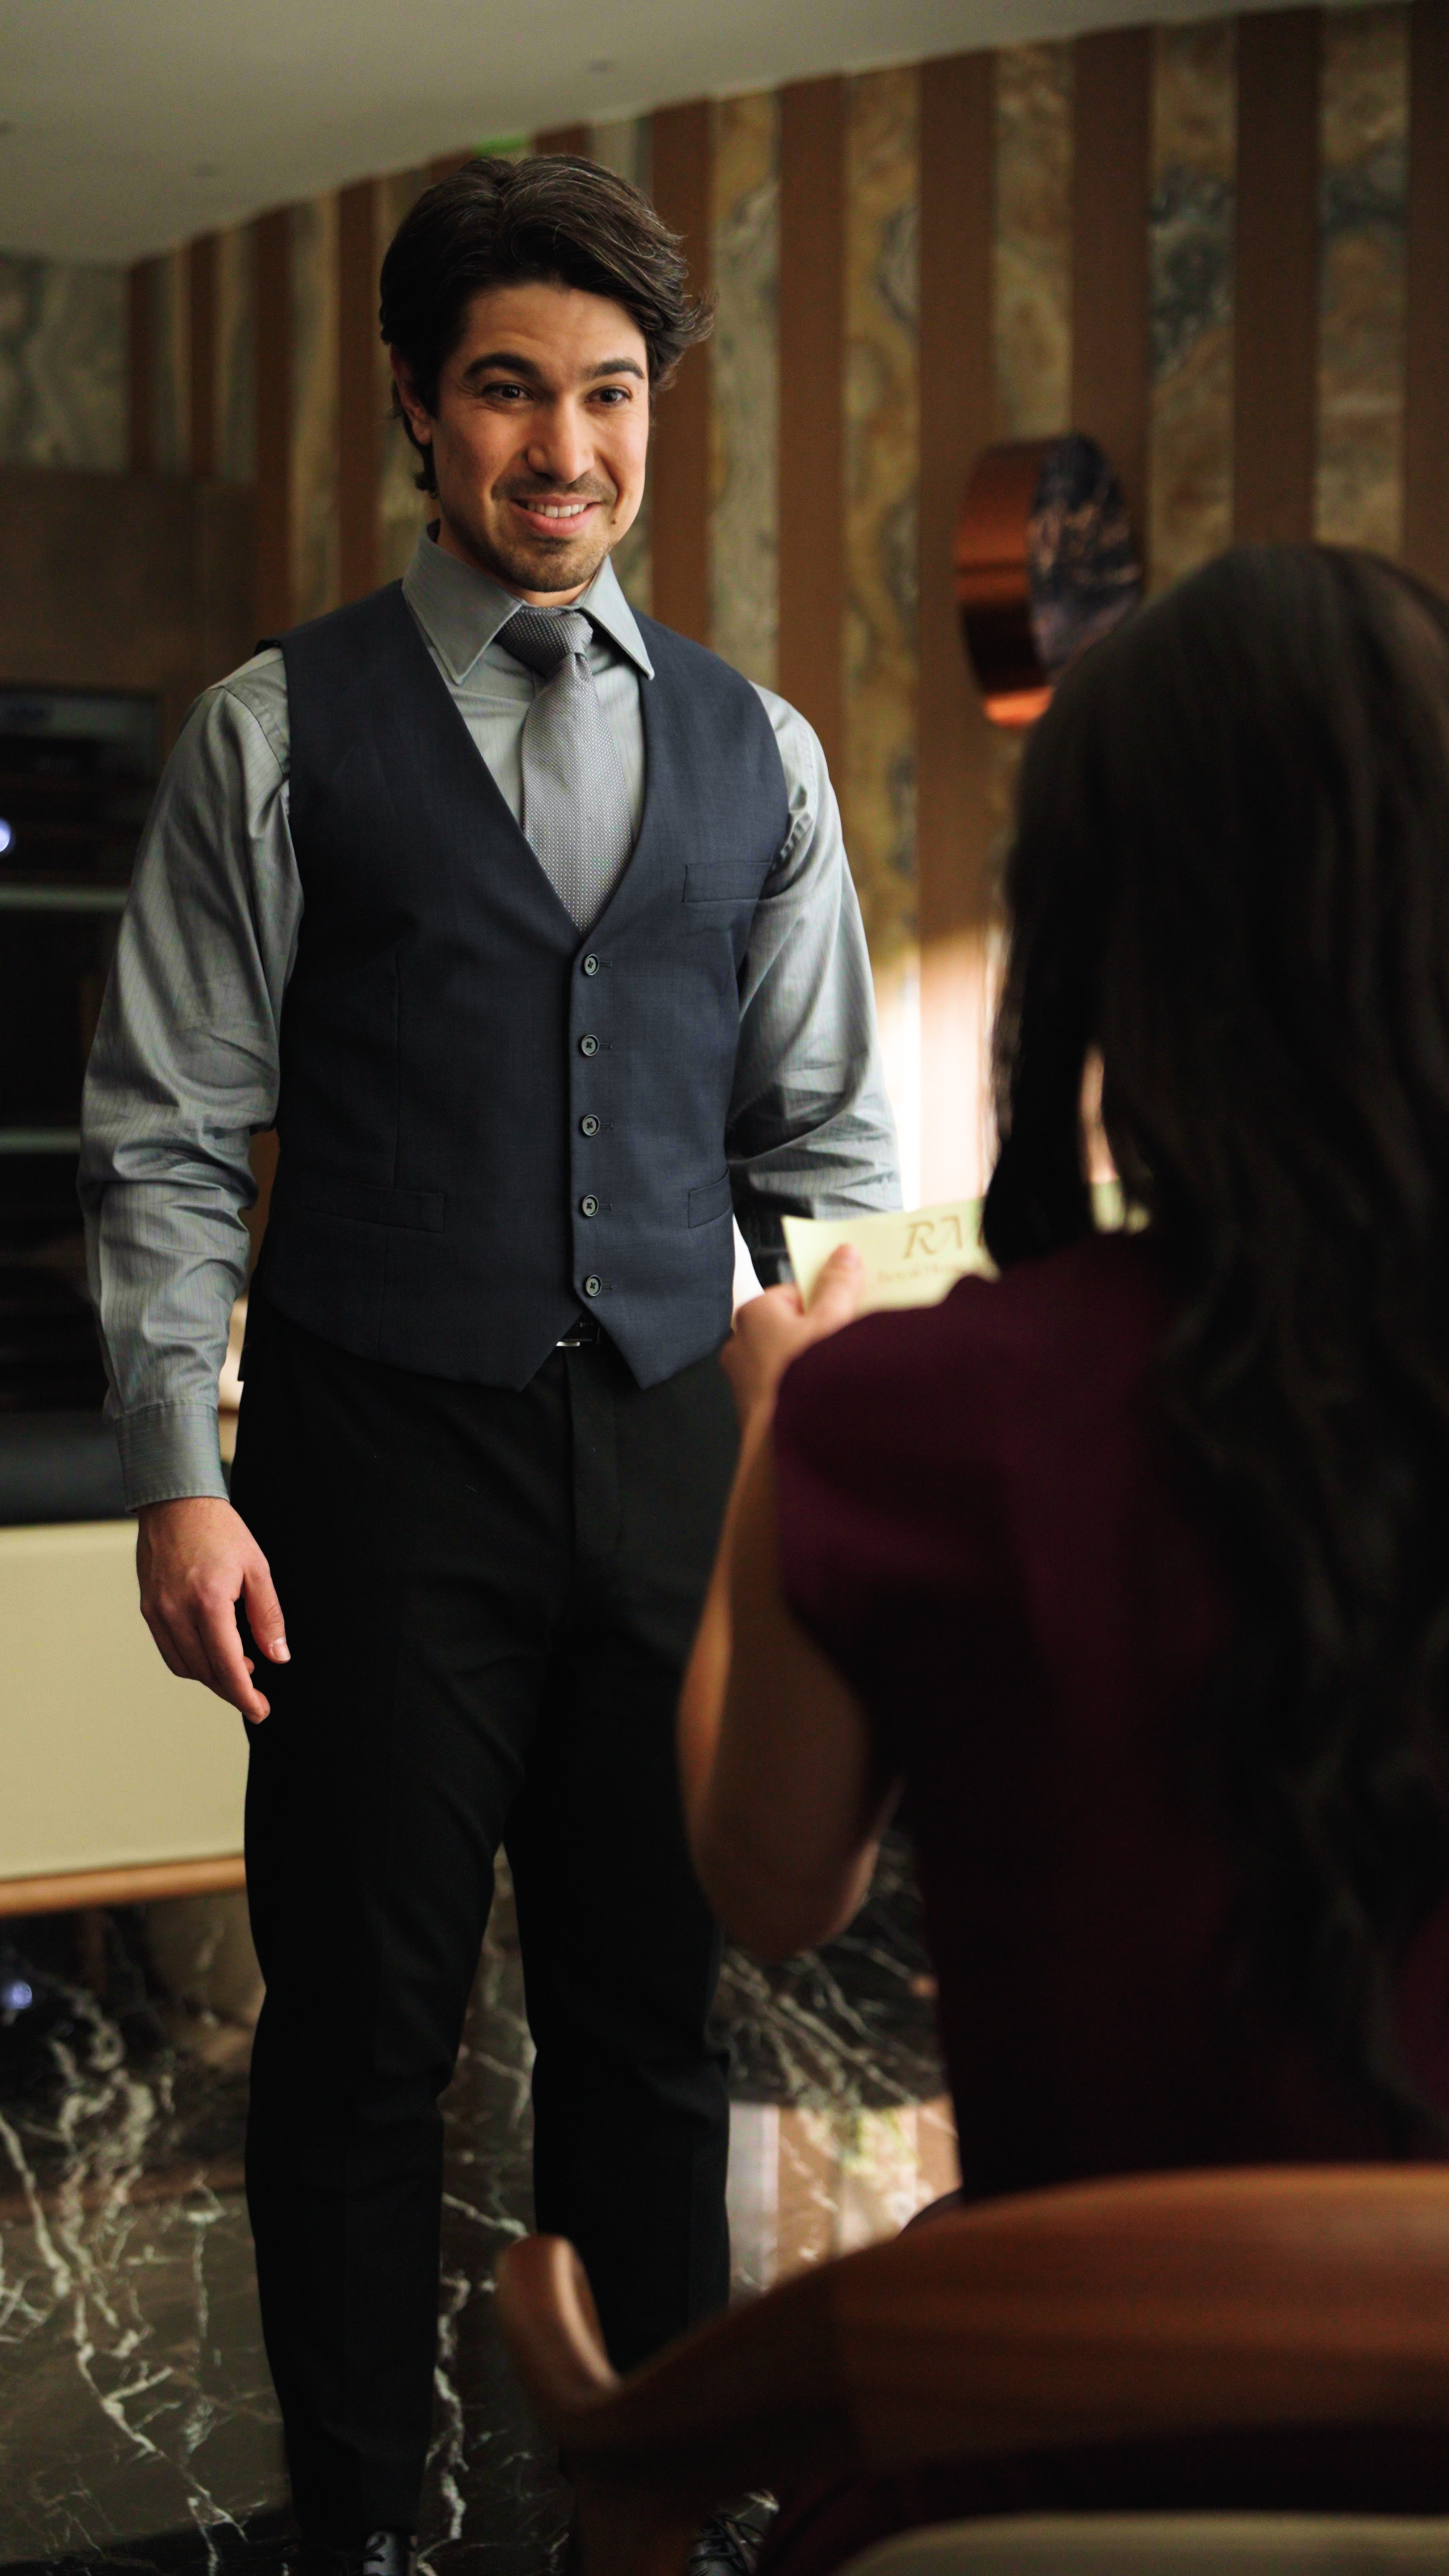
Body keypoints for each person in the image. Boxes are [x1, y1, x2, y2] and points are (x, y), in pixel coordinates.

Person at [78, 154, 898, 2571]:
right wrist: (174, 1468)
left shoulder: (766, 756)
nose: (568, 447)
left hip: (671, 1456)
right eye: (515, 391)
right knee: (354, 2049)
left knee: (657, 2037)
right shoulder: (270, 730)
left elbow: (831, 1148)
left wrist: (825, 1466)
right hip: (362, 1458)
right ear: (423, 414)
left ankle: (643, 2514)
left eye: (613, 394)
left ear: (658, 417)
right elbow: (164, 1122)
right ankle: (361, 2531)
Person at [680, 544, 1449, 2571]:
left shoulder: (906, 1422)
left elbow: (769, 1885)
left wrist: (775, 1431)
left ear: (1100, 942)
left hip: (1076, 2497)